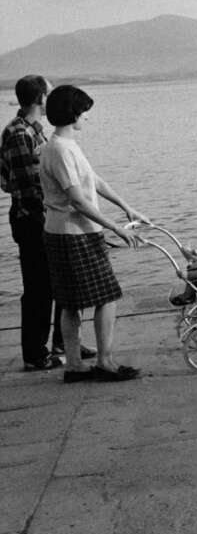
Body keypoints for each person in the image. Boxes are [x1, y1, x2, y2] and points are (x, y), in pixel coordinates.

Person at [39, 84, 148, 383]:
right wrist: (114, 227)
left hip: (64, 232)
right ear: (73, 113)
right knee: (107, 295)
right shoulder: (60, 149)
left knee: (71, 301)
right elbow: (76, 199)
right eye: (84, 112)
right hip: (72, 233)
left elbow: (93, 181)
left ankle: (75, 365)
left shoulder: (62, 145)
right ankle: (105, 361)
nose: (87, 118)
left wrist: (126, 207)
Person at [2, 75, 95, 370]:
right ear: (40, 98)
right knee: (39, 286)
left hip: (44, 215)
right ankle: (34, 353)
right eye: (49, 93)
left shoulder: (36, 131)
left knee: (60, 281)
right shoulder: (19, 133)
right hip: (32, 218)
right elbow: (27, 185)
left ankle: (63, 343)